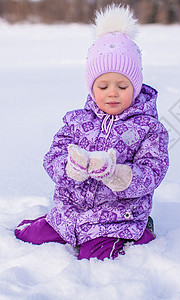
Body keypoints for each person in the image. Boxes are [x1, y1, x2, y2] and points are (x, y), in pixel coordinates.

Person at [15, 4, 169, 260]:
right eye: (103, 85)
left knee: (95, 256)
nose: (112, 93)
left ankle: (141, 232)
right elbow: (51, 156)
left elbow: (153, 171)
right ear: (91, 87)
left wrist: (116, 174)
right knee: (28, 236)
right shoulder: (77, 121)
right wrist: (68, 168)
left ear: (136, 86)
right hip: (71, 212)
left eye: (122, 85)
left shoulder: (148, 128)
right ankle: (63, 225)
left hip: (117, 217)